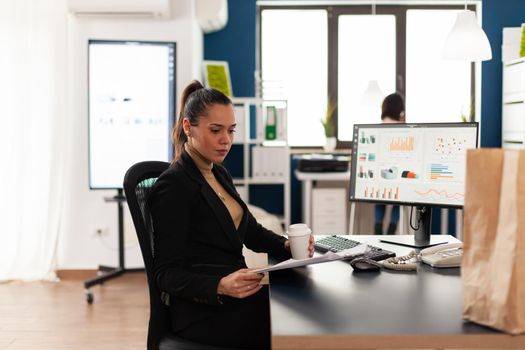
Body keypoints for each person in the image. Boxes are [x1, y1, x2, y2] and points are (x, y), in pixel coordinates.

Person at [148, 80, 315, 349]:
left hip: (235, 294)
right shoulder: (174, 185)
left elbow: (250, 230)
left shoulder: (218, 172)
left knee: (301, 302)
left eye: (231, 130)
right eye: (216, 130)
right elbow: (166, 274)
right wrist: (220, 285)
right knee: (294, 323)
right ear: (188, 127)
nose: (226, 140)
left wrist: (285, 244)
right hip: (203, 310)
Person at [374, 93, 405, 235]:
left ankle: (378, 226)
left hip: (380, 177)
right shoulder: (404, 129)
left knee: (379, 198)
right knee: (399, 201)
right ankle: (392, 227)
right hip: (397, 177)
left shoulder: (377, 128)